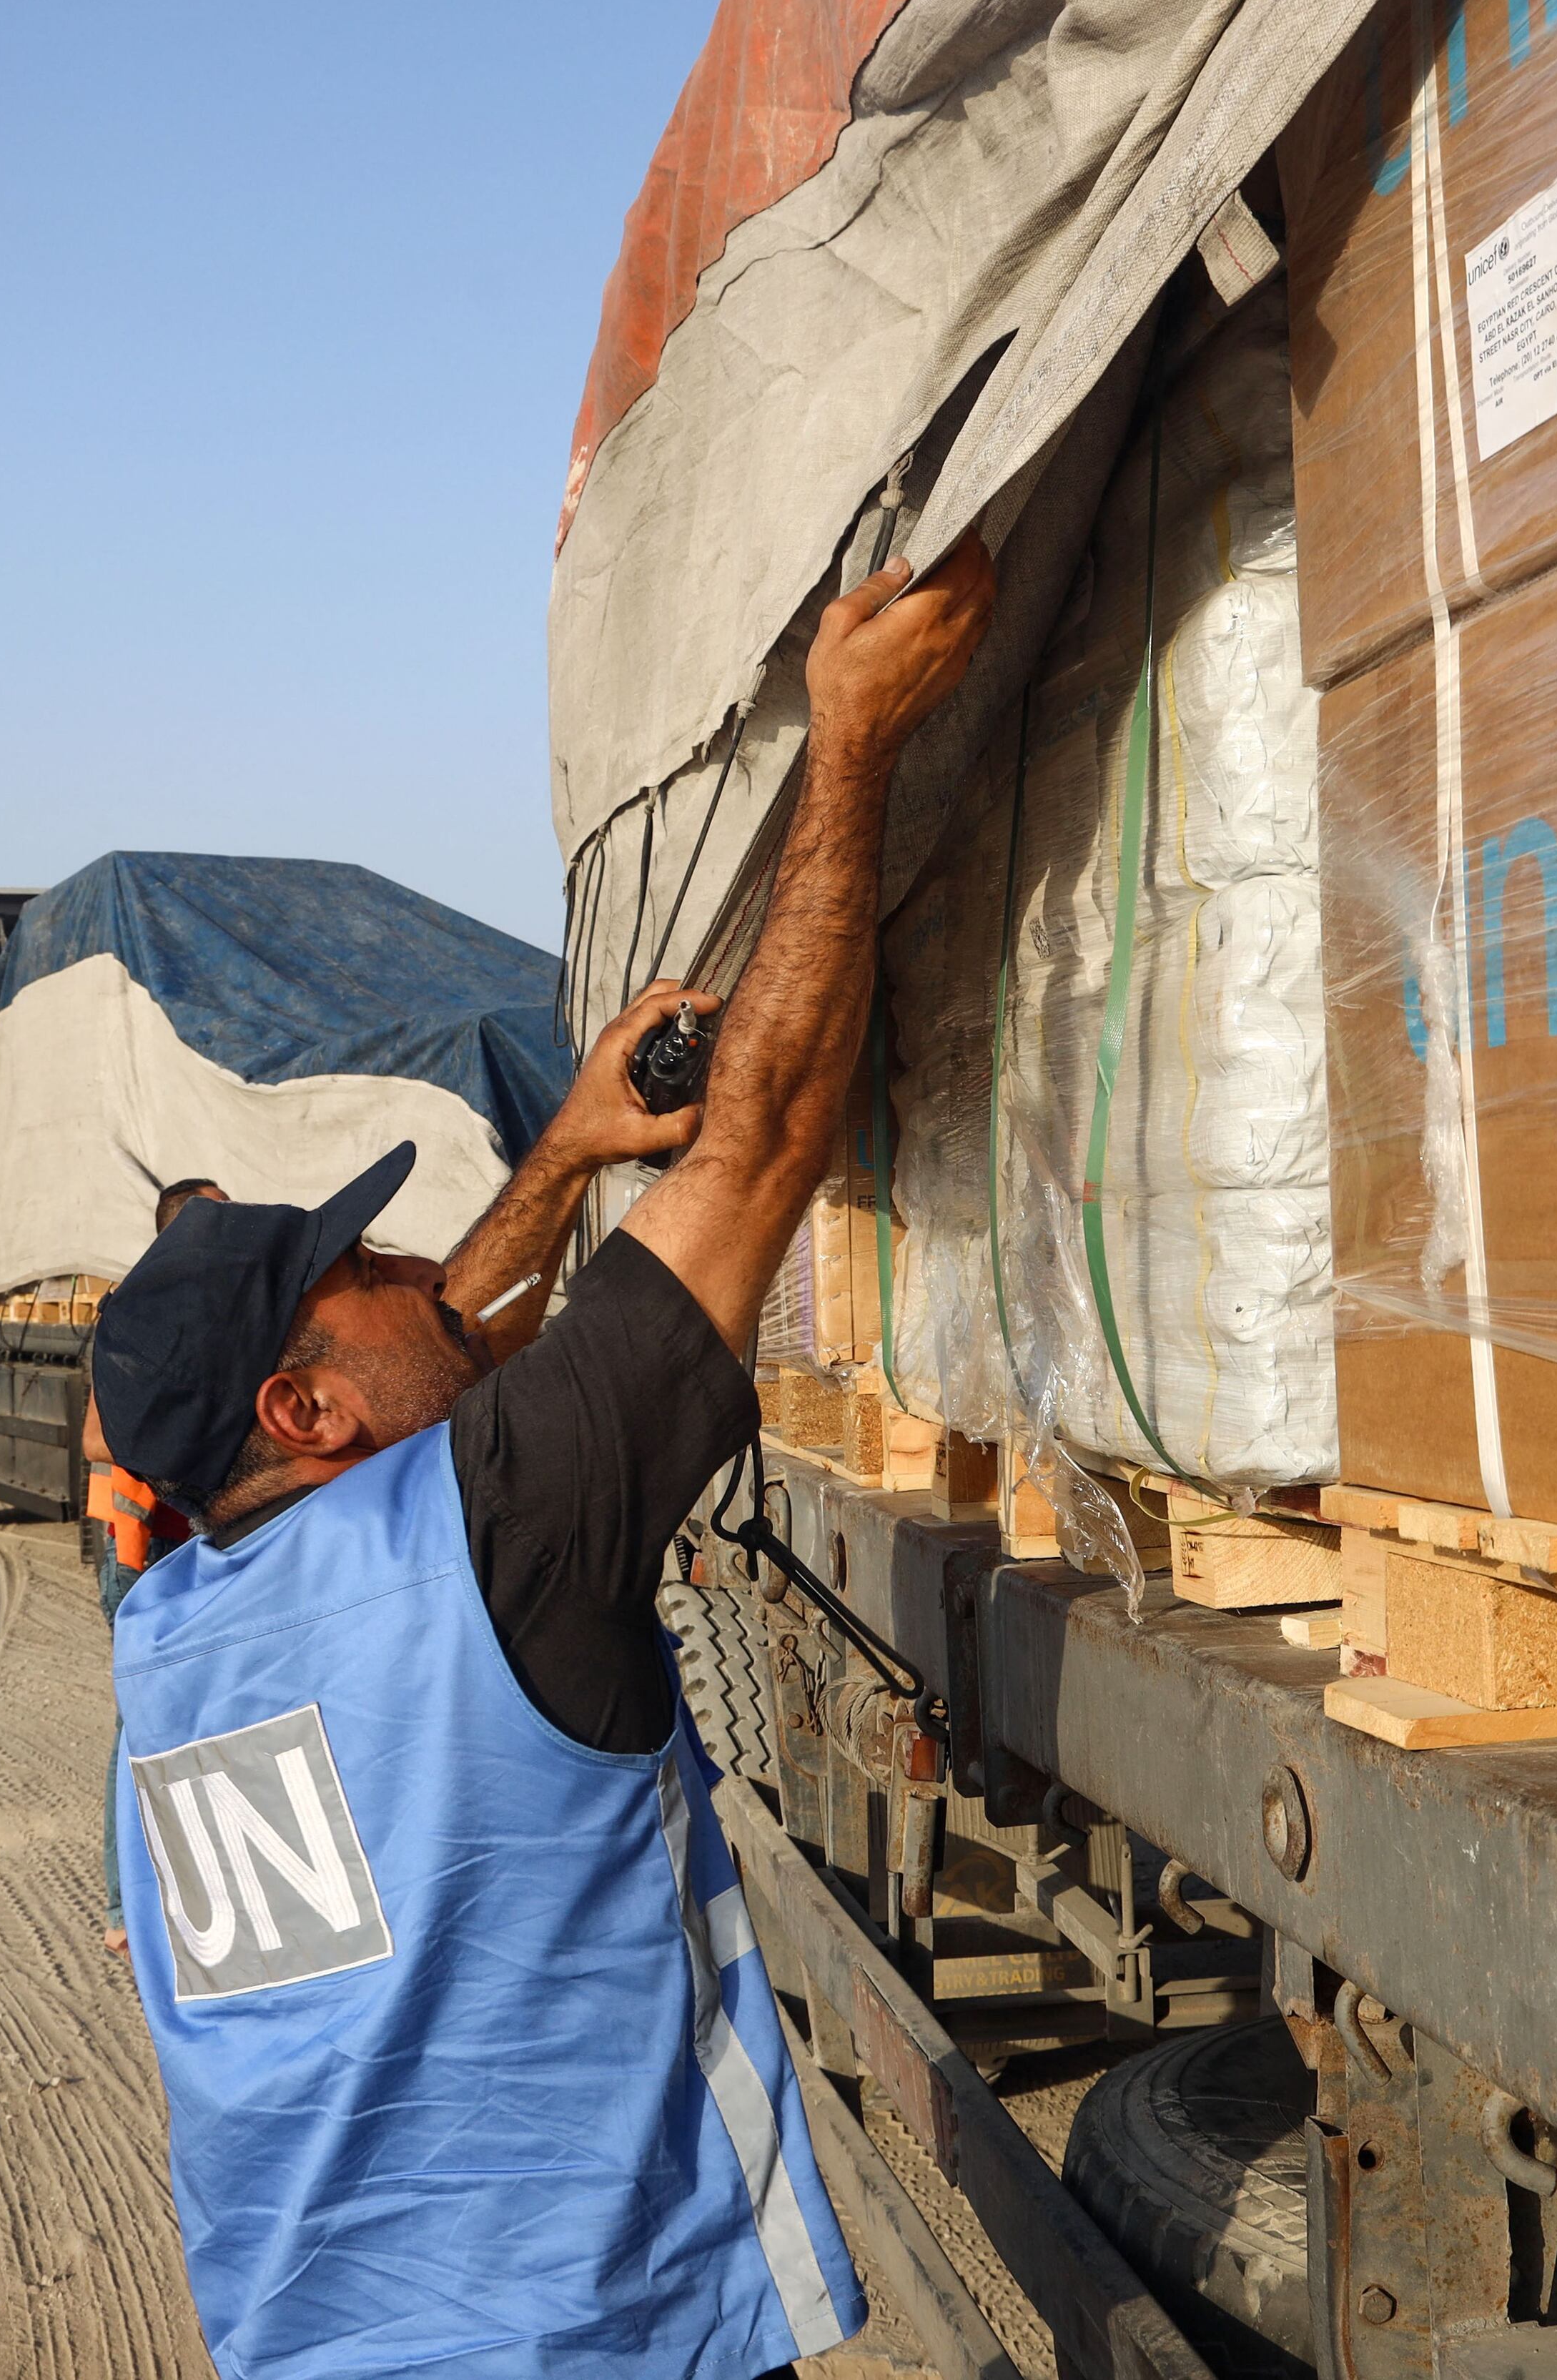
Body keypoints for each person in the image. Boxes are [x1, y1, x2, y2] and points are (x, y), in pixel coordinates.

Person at [89, 536, 995, 2380]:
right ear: (296, 1413)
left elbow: (441, 1370)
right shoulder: (491, 1536)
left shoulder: (170, 1637)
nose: (433, 1274)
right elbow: (756, 1153)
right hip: (583, 2342)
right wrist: (850, 744)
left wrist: (573, 1150)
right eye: (374, 1269)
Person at [86, 1175, 227, 1955]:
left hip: (190, 1539)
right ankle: (120, 1909)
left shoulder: (207, 1309)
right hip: (142, 1551)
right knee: (139, 1724)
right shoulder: (135, 1312)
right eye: (222, 1215)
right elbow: (97, 1439)